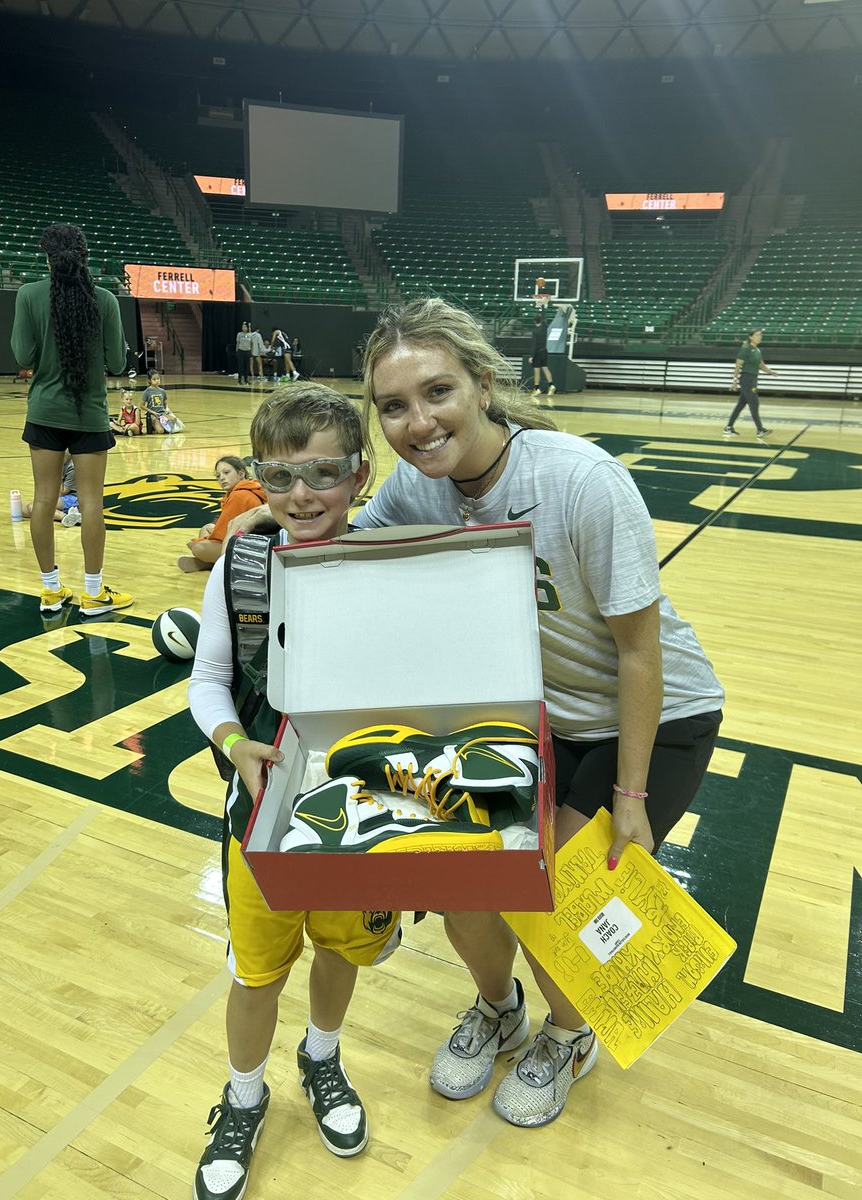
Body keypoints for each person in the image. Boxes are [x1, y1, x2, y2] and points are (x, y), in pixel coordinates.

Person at [350, 296, 724, 1129]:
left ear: (484, 384)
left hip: (653, 718)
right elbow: (343, 546)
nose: (418, 422)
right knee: (460, 875)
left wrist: (630, 799)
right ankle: (500, 1009)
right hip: (539, 716)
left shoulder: (579, 481)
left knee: (546, 881)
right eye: (394, 407)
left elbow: (641, 652)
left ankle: (569, 1032)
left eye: (437, 392)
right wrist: (266, 516)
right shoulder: (418, 487)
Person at [187, 384, 400, 1200]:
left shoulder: (396, 561)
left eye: (323, 474)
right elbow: (207, 682)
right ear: (256, 481)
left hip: (363, 811)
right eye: (278, 479)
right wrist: (235, 743)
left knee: (341, 948)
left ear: (360, 473)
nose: (302, 496)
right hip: (262, 814)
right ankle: (244, 1095)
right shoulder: (241, 562)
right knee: (256, 973)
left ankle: (322, 1055)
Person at [11, 222, 133, 617]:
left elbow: (22, 356)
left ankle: (50, 592)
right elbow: (117, 362)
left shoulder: (29, 295)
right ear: (84, 257)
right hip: (90, 416)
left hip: (44, 412)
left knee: (44, 500)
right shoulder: (106, 300)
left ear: (48, 257)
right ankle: (94, 594)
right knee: (91, 502)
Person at [177, 455, 265, 573]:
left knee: (199, 547)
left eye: (226, 472)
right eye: (218, 476)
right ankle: (210, 562)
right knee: (207, 528)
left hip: (248, 550)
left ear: (241, 473)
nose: (222, 478)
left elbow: (225, 534)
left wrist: (200, 542)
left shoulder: (239, 495)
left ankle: (210, 563)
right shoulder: (249, 487)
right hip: (252, 542)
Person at [723, 329, 777, 438]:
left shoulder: (757, 350)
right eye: (757, 335)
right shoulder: (746, 349)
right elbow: (737, 365)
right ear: (750, 337)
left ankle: (729, 427)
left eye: (760, 335)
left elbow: (761, 365)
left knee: (741, 404)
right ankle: (760, 430)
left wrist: (771, 372)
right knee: (754, 403)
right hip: (747, 380)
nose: (760, 337)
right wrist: (734, 382)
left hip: (752, 379)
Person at [21, 449, 80, 525]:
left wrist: (57, 470)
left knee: (34, 508)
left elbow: (62, 492)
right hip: (60, 497)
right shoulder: (57, 463)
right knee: (22, 508)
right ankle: (67, 514)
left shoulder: (72, 467)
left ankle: (66, 517)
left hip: (73, 498)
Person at [530, 312, 556, 396]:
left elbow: (534, 344)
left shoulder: (534, 331)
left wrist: (532, 356)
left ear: (534, 321)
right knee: (545, 368)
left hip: (537, 353)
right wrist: (543, 306)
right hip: (544, 351)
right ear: (541, 320)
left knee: (536, 371)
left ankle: (537, 388)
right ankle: (551, 385)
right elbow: (544, 319)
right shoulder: (544, 328)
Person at [235, 321, 253, 386]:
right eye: (242, 327)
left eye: (245, 327)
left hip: (247, 352)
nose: (243, 328)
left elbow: (251, 344)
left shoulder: (250, 335)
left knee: (247, 366)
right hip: (241, 351)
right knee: (240, 366)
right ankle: (239, 380)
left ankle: (246, 380)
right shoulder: (239, 334)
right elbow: (237, 343)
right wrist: (237, 351)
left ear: (247, 328)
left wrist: (251, 352)